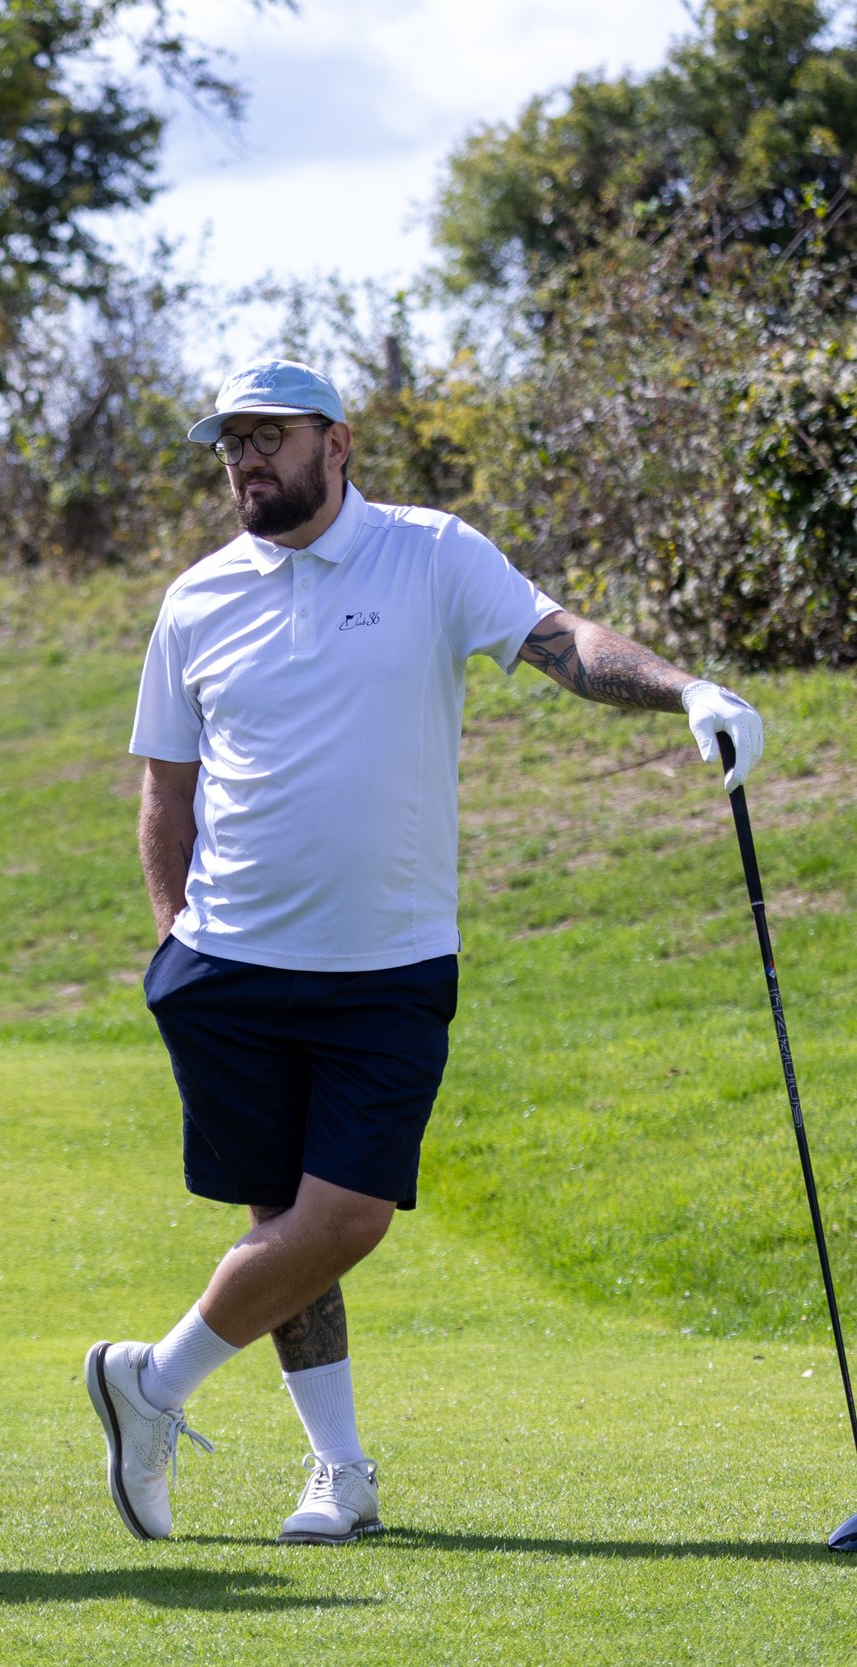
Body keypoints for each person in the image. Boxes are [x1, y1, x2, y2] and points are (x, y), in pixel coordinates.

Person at [89, 357, 765, 1547]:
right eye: (228, 443)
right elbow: (166, 787)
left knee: (342, 1217)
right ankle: (337, 1471)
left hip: (385, 967)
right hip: (228, 967)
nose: (245, 459)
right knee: (282, 1225)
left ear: (336, 442)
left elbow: (562, 642)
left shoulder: (430, 552)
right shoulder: (196, 597)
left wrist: (684, 690)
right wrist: (167, 951)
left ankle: (152, 1383)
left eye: (269, 436)